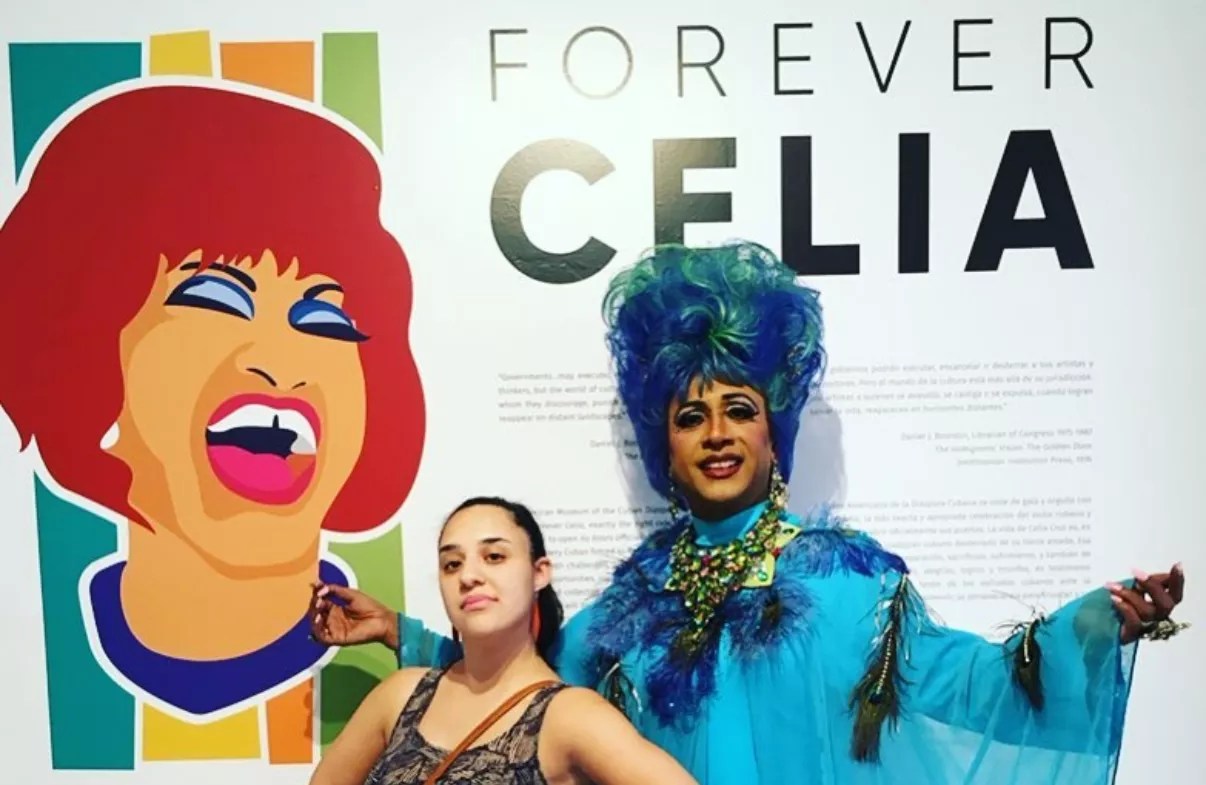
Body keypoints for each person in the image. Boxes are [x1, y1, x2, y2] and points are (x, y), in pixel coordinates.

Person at [310, 242, 1189, 784]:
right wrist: (405, 634)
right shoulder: (632, 603)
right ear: (665, 446)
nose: (718, 433)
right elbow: (528, 682)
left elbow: (969, 684)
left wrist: (1093, 626)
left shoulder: (846, 578)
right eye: (690, 416)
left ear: (775, 432)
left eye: (739, 408)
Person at [0, 83, 425, 766]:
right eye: (214, 298)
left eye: (324, 318)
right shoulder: (35, 651)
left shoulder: (416, 665)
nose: (280, 361)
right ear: (86, 357)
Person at [311, 496, 698, 785]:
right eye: (452, 564)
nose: (469, 576)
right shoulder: (401, 695)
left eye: (494, 556)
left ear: (539, 573)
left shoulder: (570, 717)